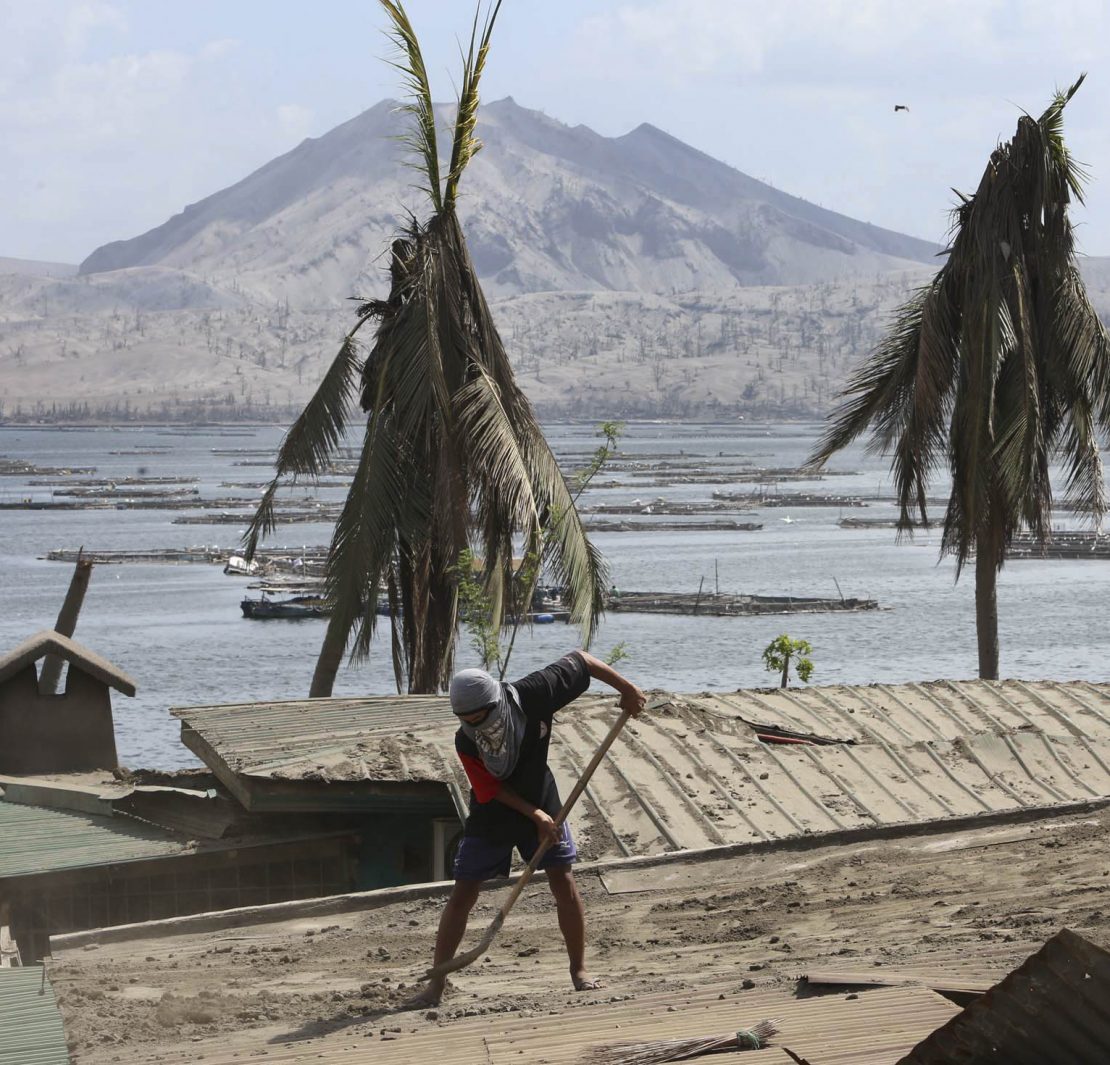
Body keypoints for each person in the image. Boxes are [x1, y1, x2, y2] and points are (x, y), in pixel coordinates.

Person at [409, 650, 646, 1007]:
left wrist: (626, 689)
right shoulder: (466, 739)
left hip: (542, 794)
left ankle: (579, 970)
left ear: (495, 702)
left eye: (480, 717)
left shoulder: (535, 692)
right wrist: (534, 816)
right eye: (466, 720)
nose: (475, 726)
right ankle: (436, 985)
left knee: (562, 882)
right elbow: (490, 789)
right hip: (495, 809)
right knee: (464, 893)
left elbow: (582, 660)